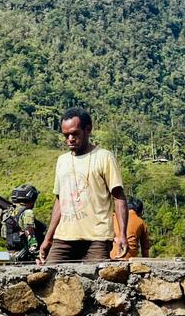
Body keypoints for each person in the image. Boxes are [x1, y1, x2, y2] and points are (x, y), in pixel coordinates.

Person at [38, 106, 127, 263]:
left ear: (88, 129)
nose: (70, 139)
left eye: (75, 133)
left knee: (94, 282)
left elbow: (119, 197)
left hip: (97, 238)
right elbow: (59, 201)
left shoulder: (104, 157)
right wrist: (48, 238)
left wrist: (122, 235)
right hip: (64, 237)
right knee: (50, 278)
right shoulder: (62, 161)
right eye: (66, 135)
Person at [0, 185, 44, 262]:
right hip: (25, 254)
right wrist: (35, 254)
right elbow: (30, 234)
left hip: (11, 252)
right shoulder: (27, 213)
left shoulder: (8, 212)